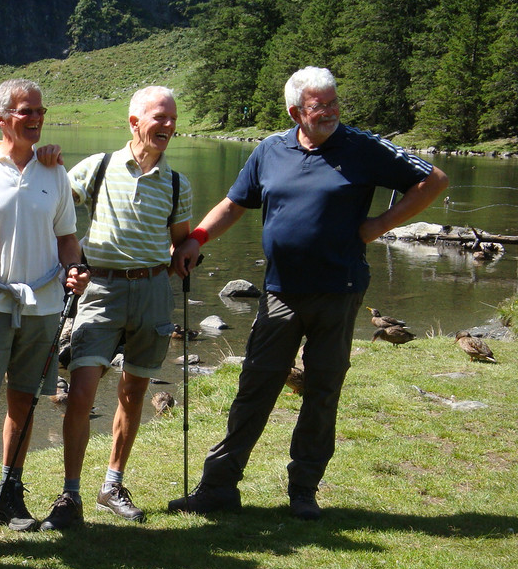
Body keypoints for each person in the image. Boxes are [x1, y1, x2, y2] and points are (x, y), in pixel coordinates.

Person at [170, 67, 449, 518]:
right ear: (295, 111)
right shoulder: (269, 150)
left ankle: (303, 491)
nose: (332, 112)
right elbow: (235, 203)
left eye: (335, 101)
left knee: (321, 390)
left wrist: (379, 225)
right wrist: (197, 238)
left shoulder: (364, 147)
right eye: (320, 105)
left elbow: (433, 180)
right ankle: (219, 487)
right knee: (254, 387)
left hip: (338, 292)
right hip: (280, 292)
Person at [50, 86, 192, 530]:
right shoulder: (99, 166)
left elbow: (181, 239)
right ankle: (69, 494)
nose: (167, 125)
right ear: (134, 122)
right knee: (82, 390)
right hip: (101, 290)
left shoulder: (176, 183)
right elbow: (55, 208)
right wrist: (46, 162)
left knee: (134, 392)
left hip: (152, 292)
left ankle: (112, 484)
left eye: (172, 118)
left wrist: (187, 252)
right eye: (158, 118)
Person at [0, 79, 89, 531]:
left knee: (26, 401)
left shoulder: (54, 170)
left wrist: (75, 269)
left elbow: (67, 238)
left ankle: (10, 496)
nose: (34, 118)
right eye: (24, 111)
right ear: (0, 118)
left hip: (43, 305)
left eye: (39, 111)